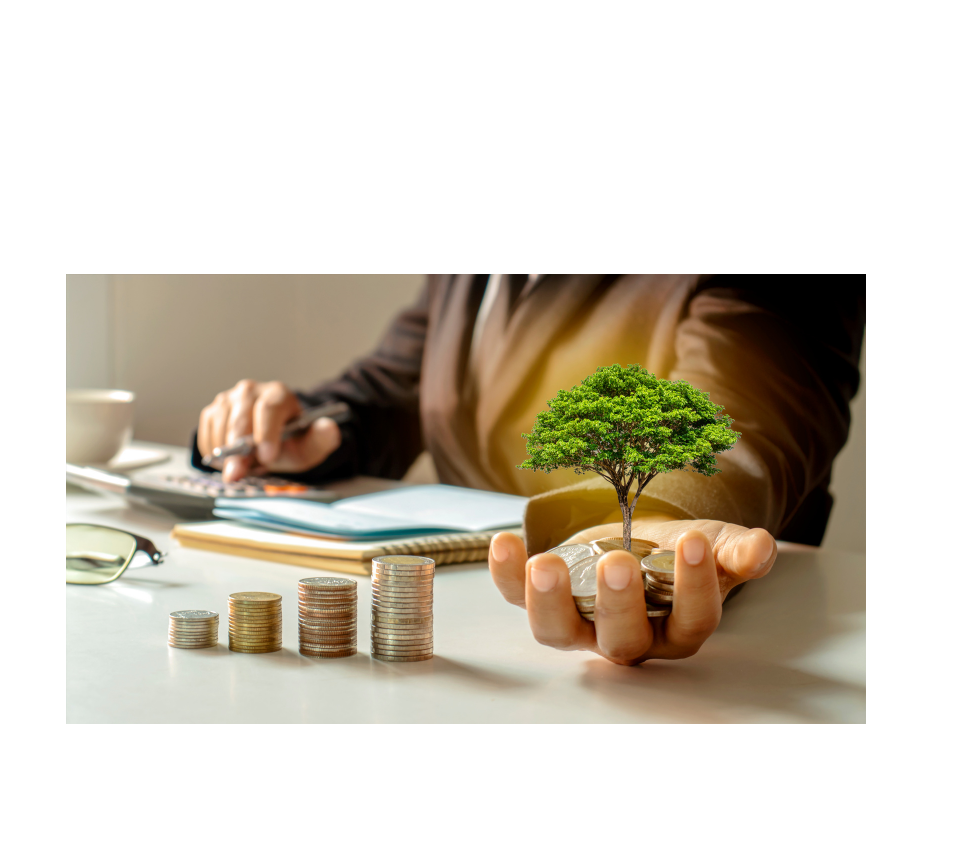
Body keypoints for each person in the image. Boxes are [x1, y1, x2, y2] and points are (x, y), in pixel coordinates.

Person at [194, 274, 865, 666]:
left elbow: (751, 398)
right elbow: (401, 385)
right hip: (474, 634)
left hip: (749, 661)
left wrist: (661, 510)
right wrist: (314, 427)